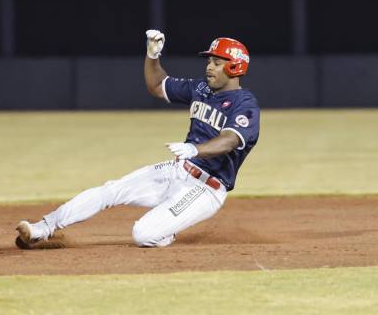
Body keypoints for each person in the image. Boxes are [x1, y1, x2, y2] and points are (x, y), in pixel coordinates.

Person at [16, 30, 260, 249]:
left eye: (217, 62)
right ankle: (43, 228)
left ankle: (166, 230)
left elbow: (229, 140)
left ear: (235, 67)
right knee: (111, 190)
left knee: (143, 235)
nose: (209, 67)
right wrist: (152, 55)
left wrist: (195, 150)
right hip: (177, 169)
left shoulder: (245, 105)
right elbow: (157, 85)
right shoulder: (201, 90)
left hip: (206, 188)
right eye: (209, 61)